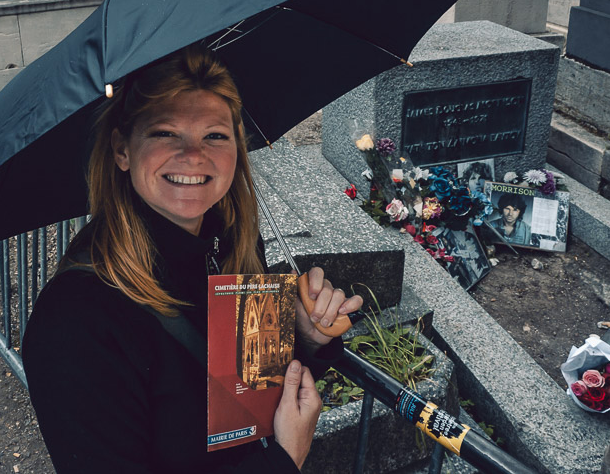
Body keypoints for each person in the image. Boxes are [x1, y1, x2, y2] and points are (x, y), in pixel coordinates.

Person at [22, 44, 363, 473]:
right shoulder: (77, 320)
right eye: (165, 132)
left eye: (215, 135)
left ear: (237, 148)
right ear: (122, 150)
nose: (194, 155)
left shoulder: (233, 238)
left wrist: (306, 338)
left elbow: (244, 388)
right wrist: (282, 460)